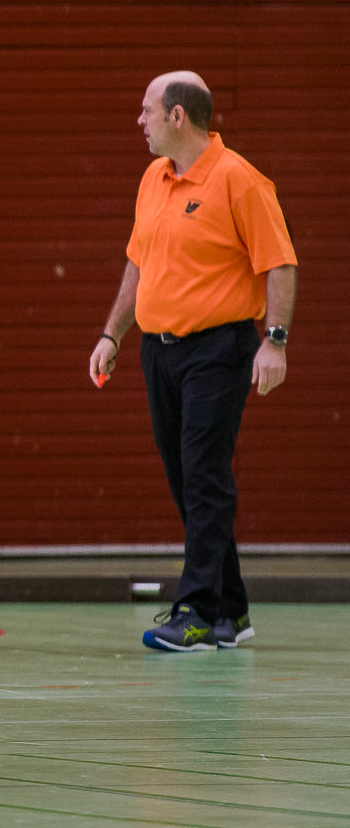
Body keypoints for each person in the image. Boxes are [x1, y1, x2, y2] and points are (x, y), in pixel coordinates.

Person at [87, 71, 297, 652]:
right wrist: (112, 334)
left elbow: (279, 263)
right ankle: (232, 609)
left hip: (217, 350)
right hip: (159, 351)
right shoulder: (153, 178)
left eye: (147, 110)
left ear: (178, 116)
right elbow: (139, 264)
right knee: (187, 480)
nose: (140, 120)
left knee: (204, 474)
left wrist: (275, 341)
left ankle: (198, 610)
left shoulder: (239, 180)